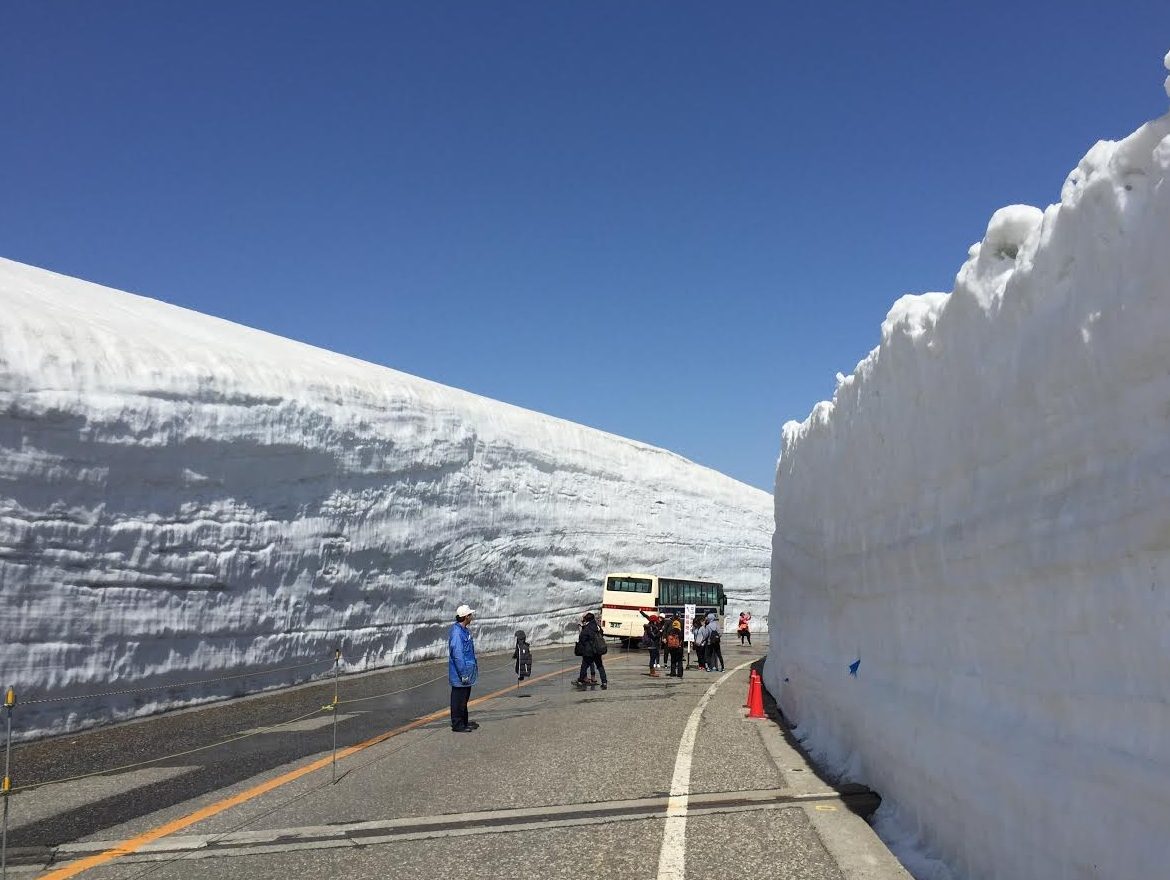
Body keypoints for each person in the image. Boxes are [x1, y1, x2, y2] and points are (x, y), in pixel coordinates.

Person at [448, 603, 479, 733]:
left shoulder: (464, 631)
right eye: (470, 615)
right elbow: (458, 656)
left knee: (464, 699)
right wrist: (463, 674)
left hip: (467, 672)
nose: (472, 616)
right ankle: (458, 724)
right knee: (458, 700)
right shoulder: (457, 633)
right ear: (466, 617)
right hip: (460, 674)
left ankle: (464, 722)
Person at [573, 612, 608, 689]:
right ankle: (604, 682)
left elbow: (582, 638)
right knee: (600, 666)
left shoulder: (587, 628)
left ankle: (581, 680)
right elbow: (602, 634)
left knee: (584, 666)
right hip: (597, 651)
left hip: (589, 651)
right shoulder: (597, 627)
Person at [639, 611, 664, 677]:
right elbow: (654, 636)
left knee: (653, 657)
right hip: (652, 645)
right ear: (653, 621)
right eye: (656, 620)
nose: (657, 621)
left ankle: (653, 671)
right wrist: (660, 632)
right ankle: (652, 672)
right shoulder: (650, 627)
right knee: (652, 658)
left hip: (652, 645)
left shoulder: (651, 626)